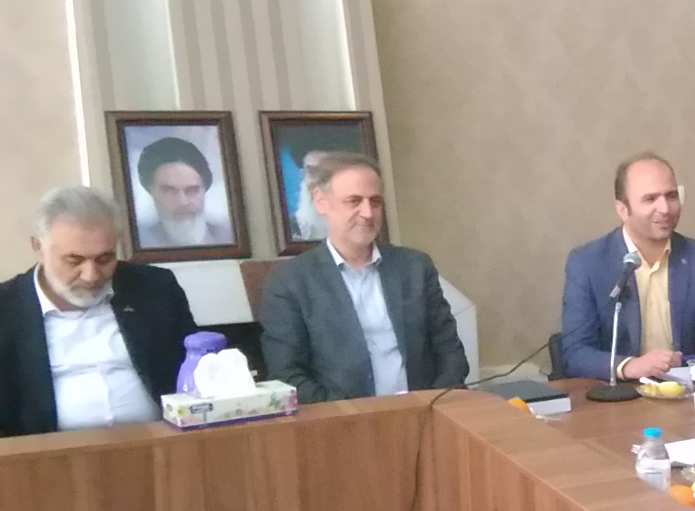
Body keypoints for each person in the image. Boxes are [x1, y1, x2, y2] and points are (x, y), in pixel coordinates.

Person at [260, 153, 468, 403]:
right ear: (321, 201)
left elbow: (451, 353)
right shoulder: (289, 281)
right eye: (354, 201)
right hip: (341, 421)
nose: (368, 213)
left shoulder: (414, 268)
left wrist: (432, 405)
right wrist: (354, 415)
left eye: (375, 202)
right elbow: (287, 375)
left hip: (425, 412)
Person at [0, 187, 197, 436]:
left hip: (160, 444)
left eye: (104, 259)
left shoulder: (155, 289)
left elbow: (199, 371)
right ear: (38, 247)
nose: (91, 276)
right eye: (74, 260)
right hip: (47, 453)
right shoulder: (7, 308)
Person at [561, 153, 695, 381]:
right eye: (650, 199)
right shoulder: (587, 263)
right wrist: (630, 366)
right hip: (620, 393)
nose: (665, 209)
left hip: (683, 390)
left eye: (671, 196)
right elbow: (575, 353)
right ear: (623, 210)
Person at [134, 137, 234, 247]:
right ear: (150, 190)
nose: (182, 202)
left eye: (192, 190)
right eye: (169, 191)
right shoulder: (140, 241)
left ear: (205, 189)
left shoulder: (229, 236)